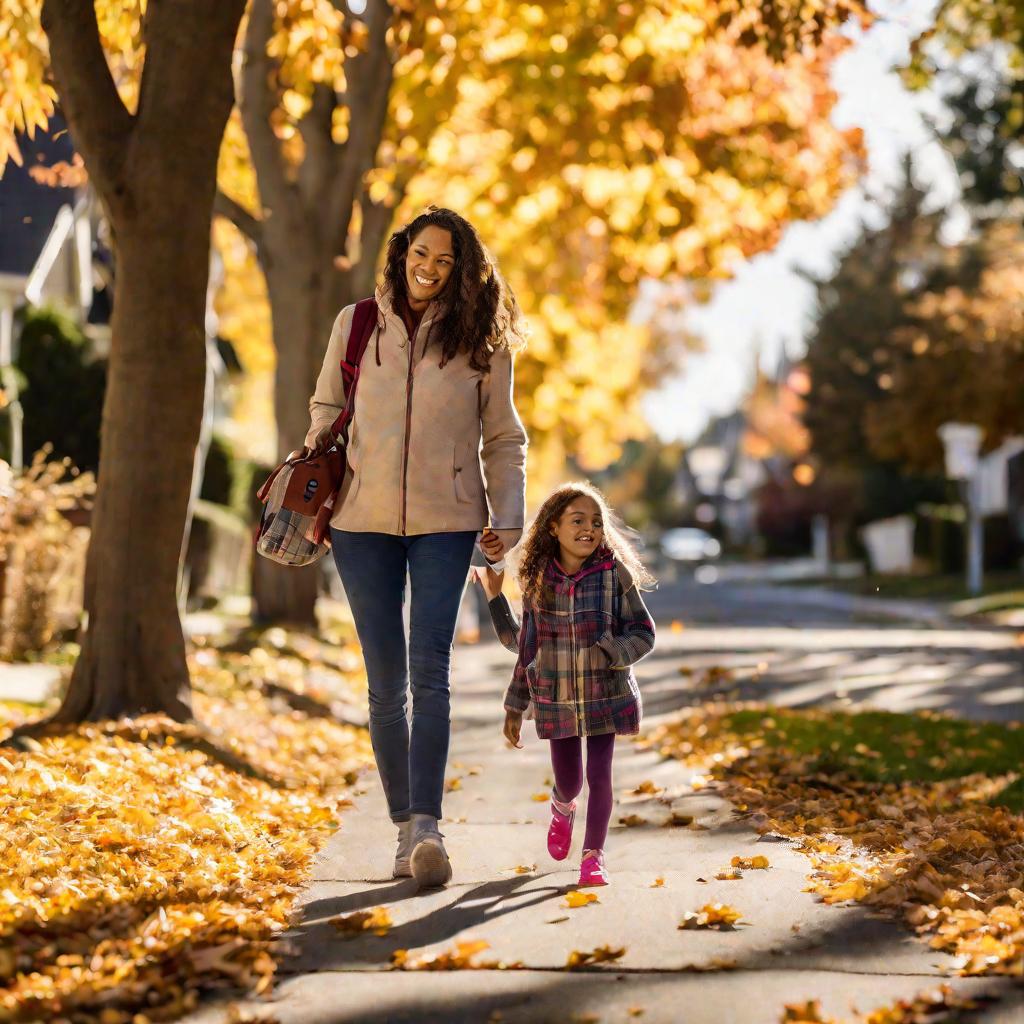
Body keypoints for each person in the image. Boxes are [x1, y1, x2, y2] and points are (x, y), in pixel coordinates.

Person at [303, 207, 528, 889]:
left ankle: (428, 829)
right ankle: (403, 829)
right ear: (401, 253)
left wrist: (508, 521)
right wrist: (317, 460)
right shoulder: (357, 324)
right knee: (384, 683)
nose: (429, 269)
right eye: (420, 254)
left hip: (447, 521)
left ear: (462, 269)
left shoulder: (483, 341)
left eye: (445, 260)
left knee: (430, 670)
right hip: (359, 521)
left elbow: (504, 438)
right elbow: (325, 406)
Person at [475, 482, 656, 886]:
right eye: (577, 520)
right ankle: (562, 806)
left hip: (605, 696)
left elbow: (644, 632)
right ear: (553, 527)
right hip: (555, 699)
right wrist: (514, 706)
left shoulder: (613, 574)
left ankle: (594, 856)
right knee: (571, 780)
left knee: (600, 776)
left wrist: (611, 651)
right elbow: (522, 645)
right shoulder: (539, 581)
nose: (588, 528)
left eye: (596, 521)